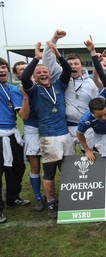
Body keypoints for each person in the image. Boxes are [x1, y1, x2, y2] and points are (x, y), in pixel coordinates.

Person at [21, 42, 75, 219]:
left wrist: (59, 55)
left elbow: (67, 71)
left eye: (45, 72)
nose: (43, 74)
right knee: (50, 172)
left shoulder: (59, 86)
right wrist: (36, 59)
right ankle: (51, 202)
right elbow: (24, 78)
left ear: (50, 74)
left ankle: (70, 199)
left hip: (65, 135)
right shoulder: (34, 90)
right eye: (39, 73)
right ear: (35, 78)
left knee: (68, 170)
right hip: (48, 138)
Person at [42, 29, 99, 153]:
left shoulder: (90, 83)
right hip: (67, 126)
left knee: (91, 156)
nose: (73, 66)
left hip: (87, 126)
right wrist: (54, 39)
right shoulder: (60, 76)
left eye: (76, 64)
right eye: (70, 64)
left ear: (82, 66)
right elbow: (47, 60)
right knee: (68, 160)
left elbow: (97, 103)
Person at [0, 58, 30, 223]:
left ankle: (12, 197)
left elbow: (22, 114)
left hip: (11, 133)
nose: (1, 70)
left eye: (3, 67)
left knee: (17, 168)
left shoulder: (13, 89)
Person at [11, 61, 44, 211]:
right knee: (35, 166)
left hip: (49, 129)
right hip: (32, 130)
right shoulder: (16, 90)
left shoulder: (41, 83)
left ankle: (52, 195)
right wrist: (25, 97)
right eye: (21, 70)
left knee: (54, 165)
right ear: (17, 75)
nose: (25, 71)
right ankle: (38, 197)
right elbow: (23, 116)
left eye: (26, 68)